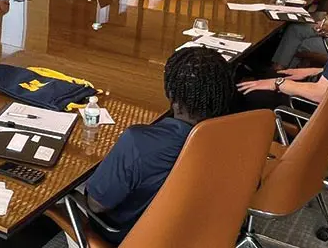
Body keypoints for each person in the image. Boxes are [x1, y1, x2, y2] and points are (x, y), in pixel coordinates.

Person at [66, 47, 234, 246]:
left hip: (133, 236)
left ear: (171, 94)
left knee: (66, 191)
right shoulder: (236, 133)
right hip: (205, 229)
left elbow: (96, 206)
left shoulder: (139, 143)